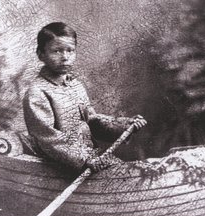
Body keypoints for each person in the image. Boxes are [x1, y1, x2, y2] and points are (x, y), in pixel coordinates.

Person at [23, 22, 147, 173]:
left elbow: (91, 121)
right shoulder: (37, 92)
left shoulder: (75, 85)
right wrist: (84, 159)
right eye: (56, 51)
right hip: (62, 167)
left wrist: (124, 126)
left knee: (135, 174)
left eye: (70, 50)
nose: (65, 57)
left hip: (92, 159)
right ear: (41, 54)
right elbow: (48, 139)